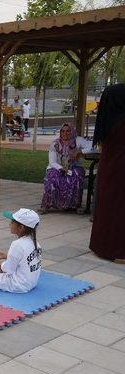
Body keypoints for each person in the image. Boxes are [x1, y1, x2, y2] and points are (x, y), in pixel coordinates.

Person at [90, 84, 125, 262]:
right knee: (119, 210)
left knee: (107, 208)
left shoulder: (107, 121)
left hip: (108, 171)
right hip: (120, 173)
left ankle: (101, 245)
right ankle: (118, 251)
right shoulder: (121, 122)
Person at [40, 123, 93, 213]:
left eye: (68, 131)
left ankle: (76, 205)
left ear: (72, 131)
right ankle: (46, 205)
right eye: (63, 131)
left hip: (74, 167)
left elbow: (93, 147)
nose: (65, 133)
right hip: (57, 167)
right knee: (52, 177)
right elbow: (52, 162)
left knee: (77, 175)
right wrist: (61, 168)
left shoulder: (78, 140)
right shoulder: (55, 143)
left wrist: (80, 151)